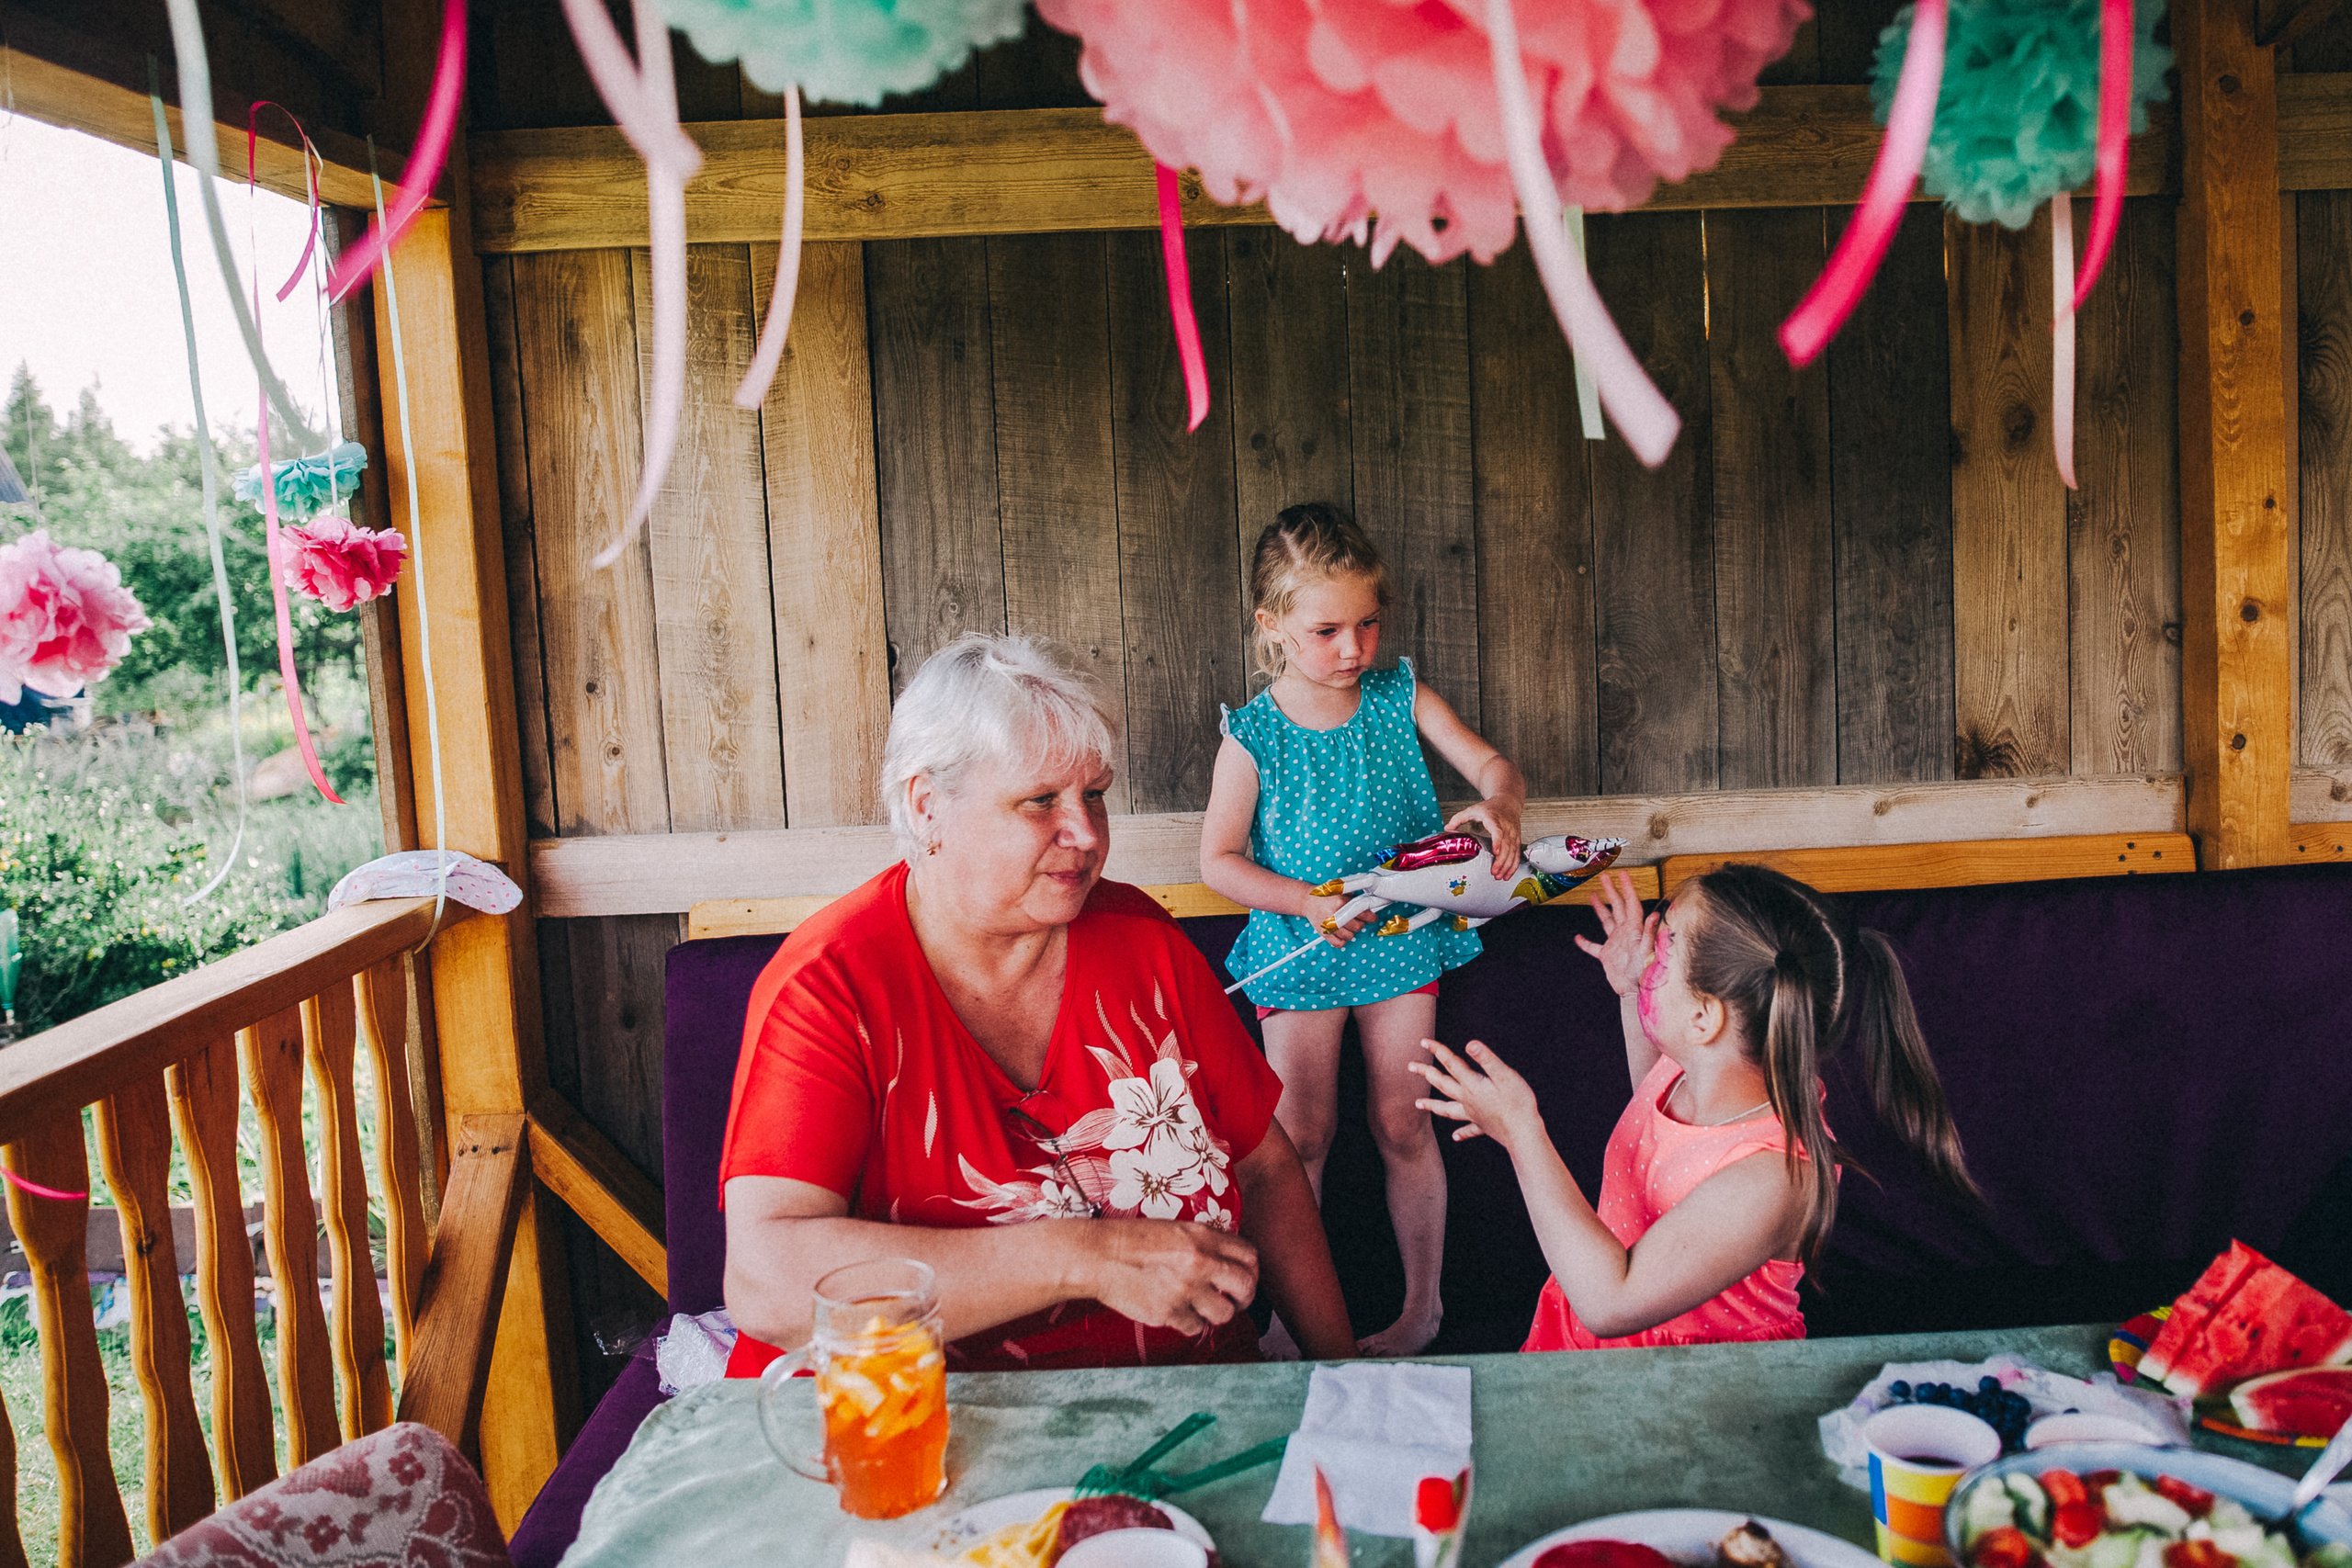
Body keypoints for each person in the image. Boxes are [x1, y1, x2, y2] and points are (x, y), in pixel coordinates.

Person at [719, 633, 1354, 1374]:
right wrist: (1085, 1256)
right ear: (928, 807)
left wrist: (1345, 1379)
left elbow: (1267, 1172)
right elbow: (767, 1281)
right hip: (930, 1430)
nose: (1084, 833)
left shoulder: (1144, 945)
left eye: (1094, 795)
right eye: (1039, 801)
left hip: (1179, 1406)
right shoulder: (831, 986)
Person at [1200, 502, 1526, 1359]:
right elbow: (1218, 862)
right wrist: (1304, 901)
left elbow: (1494, 765)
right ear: (1272, 627)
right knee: (1299, 1137)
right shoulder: (1256, 734)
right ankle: (1285, 1322)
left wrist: (1500, 804)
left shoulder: (1397, 696)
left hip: (1401, 941)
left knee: (1402, 1122)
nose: (1353, 648)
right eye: (1327, 629)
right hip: (1300, 950)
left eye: (1367, 624)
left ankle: (1423, 1309)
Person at [1409, 865, 1982, 1350]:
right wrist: (1636, 989)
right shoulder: (1705, 1072)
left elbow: (1613, 1301)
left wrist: (1522, 1133)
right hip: (1592, 1337)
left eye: (1665, 950)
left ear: (1706, 1018)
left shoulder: (1775, 1178)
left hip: (1699, 1385)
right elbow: (1653, 1130)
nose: (1651, 948)